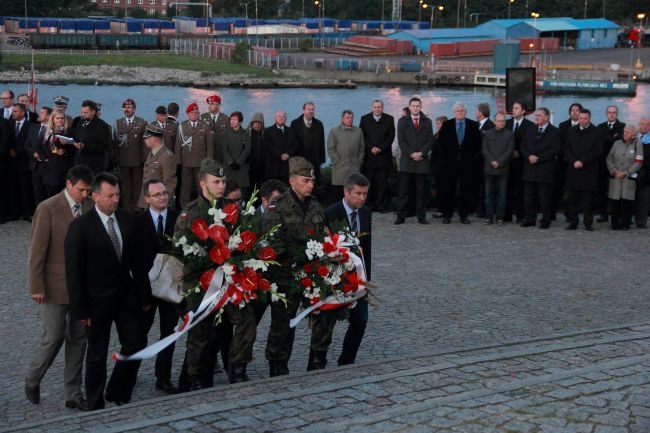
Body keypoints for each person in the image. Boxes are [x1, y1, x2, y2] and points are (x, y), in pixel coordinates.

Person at [65, 172, 148, 410]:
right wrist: (81, 309)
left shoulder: (127, 219)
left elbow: (137, 262)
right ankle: (95, 402)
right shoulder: (81, 227)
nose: (115, 200)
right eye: (110, 196)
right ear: (95, 196)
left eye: (118, 195)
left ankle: (117, 390)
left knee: (136, 342)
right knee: (97, 355)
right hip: (95, 303)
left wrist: (144, 294)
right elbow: (74, 272)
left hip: (126, 298)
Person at [174, 158, 256, 387]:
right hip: (200, 285)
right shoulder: (190, 214)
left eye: (223, 181)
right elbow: (180, 255)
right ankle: (194, 378)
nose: (221, 186)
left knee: (247, 319)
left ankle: (238, 368)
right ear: (203, 184)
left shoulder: (231, 211)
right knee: (200, 335)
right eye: (216, 181)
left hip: (228, 283)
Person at [25, 165, 94, 411]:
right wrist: (36, 286)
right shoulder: (47, 209)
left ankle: (73, 393)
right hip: (53, 287)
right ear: (68, 184)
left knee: (79, 339)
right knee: (53, 337)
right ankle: (32, 378)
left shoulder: (88, 206)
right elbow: (37, 251)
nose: (84, 195)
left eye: (88, 190)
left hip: (82, 289)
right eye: (80, 190)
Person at [263, 157, 327, 376]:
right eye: (306, 180)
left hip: (312, 274)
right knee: (283, 322)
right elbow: (272, 241)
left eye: (312, 180)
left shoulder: (316, 204)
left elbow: (321, 235)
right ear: (292, 181)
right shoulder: (277, 206)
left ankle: (317, 359)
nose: (310, 184)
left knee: (321, 314)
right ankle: (277, 362)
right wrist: (296, 257)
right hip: (286, 274)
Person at [135, 179, 180, 394]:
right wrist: (142, 294)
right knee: (137, 334)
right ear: (147, 199)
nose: (162, 197)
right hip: (146, 289)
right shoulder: (138, 223)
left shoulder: (177, 218)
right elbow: (134, 262)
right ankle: (129, 374)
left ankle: (163, 377)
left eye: (164, 193)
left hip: (170, 287)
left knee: (169, 333)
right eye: (157, 195)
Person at [324, 173, 372, 366]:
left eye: (365, 194)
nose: (361, 198)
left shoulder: (366, 212)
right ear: (346, 191)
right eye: (358, 193)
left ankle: (347, 360)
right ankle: (317, 361)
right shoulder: (330, 213)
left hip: (359, 279)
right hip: (336, 278)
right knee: (328, 323)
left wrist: (367, 278)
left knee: (360, 321)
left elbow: (366, 249)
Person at [437, 101, 482, 224]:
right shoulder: (447, 124)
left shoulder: (473, 125)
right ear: (454, 112)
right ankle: (447, 215)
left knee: (465, 190)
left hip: (467, 164)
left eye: (462, 110)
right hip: (450, 163)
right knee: (449, 189)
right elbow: (441, 143)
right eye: (457, 111)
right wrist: (447, 157)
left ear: (466, 112)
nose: (460, 112)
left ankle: (464, 216)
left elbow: (478, 144)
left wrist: (473, 158)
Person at [251, 179, 287, 323]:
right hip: (257, 283)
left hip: (281, 280)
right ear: (264, 200)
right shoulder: (250, 219)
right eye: (276, 201)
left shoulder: (286, 218)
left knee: (283, 328)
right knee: (250, 327)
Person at [394, 97, 433, 225]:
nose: (416, 108)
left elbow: (429, 141)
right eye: (413, 106)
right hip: (407, 161)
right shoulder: (402, 121)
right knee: (404, 191)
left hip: (422, 161)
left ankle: (421, 217)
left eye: (418, 106)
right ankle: (401, 217)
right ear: (409, 107)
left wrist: (421, 153)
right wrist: (412, 153)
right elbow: (401, 141)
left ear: (421, 107)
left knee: (421, 192)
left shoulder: (427, 121)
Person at [520, 108, 560, 229]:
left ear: (547, 117)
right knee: (528, 197)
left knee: (544, 198)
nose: (536, 117)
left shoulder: (555, 132)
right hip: (530, 168)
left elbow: (554, 150)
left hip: (544, 169)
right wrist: (529, 156)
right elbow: (523, 146)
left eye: (539, 115)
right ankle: (530, 218)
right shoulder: (530, 129)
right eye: (535, 115)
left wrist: (538, 158)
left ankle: (545, 220)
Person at [563, 109, 603, 231]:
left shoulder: (596, 131)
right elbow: (566, 148)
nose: (582, 121)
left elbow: (597, 150)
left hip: (588, 171)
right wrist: (574, 161)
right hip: (573, 169)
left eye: (585, 118)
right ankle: (573, 221)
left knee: (588, 200)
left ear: (589, 118)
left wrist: (583, 161)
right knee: (572, 199)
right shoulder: (571, 131)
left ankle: (588, 223)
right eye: (580, 118)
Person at [359, 100, 395, 213]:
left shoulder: (389, 119)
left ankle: (381, 205)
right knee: (368, 182)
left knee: (382, 183)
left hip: (383, 156)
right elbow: (362, 136)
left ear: (382, 108)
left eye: (379, 107)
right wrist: (371, 148)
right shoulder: (364, 119)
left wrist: (380, 148)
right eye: (375, 107)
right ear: (372, 107)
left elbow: (391, 136)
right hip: (369, 157)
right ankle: (368, 205)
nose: (377, 109)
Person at [175, 103, 214, 207]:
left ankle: (202, 206)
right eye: (192, 113)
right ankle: (185, 208)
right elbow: (178, 145)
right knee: (185, 187)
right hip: (186, 162)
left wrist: (209, 161)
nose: (195, 114)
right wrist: (178, 161)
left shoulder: (205, 126)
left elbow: (210, 146)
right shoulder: (182, 127)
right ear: (188, 114)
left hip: (200, 162)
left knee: (200, 186)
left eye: (196, 112)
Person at [112, 99, 147, 211]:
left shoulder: (141, 122)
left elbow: (144, 144)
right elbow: (116, 143)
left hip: (137, 159)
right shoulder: (118, 123)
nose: (127, 109)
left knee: (137, 183)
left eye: (129, 107)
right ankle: (127, 205)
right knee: (125, 183)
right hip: (123, 159)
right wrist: (116, 159)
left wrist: (144, 159)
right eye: (125, 107)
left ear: (134, 109)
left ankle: (137, 205)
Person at [607, 124, 644, 230]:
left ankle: (625, 224)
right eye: (624, 131)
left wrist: (627, 172)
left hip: (628, 177)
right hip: (616, 176)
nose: (625, 134)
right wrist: (614, 171)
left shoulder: (638, 144)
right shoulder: (616, 143)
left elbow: (639, 162)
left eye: (628, 132)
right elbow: (609, 159)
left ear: (633, 135)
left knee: (627, 201)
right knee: (614, 201)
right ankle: (614, 224)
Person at [34, 108, 76, 200]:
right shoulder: (46, 131)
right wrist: (44, 159)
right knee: (50, 196)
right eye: (57, 118)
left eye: (62, 118)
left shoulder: (69, 131)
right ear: (53, 119)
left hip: (62, 167)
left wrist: (66, 149)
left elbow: (74, 149)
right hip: (49, 167)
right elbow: (38, 146)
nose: (60, 120)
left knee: (63, 195)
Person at [482, 113, 514, 225]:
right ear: (494, 121)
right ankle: (489, 217)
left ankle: (500, 218)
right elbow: (484, 149)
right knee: (488, 195)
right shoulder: (487, 133)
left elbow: (510, 150)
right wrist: (492, 161)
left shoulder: (510, 134)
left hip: (503, 169)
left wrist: (499, 162)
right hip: (489, 169)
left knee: (502, 196)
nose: (501, 123)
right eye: (499, 121)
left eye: (503, 121)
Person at [505, 101, 534, 223]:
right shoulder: (507, 123)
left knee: (521, 190)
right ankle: (506, 215)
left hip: (522, 163)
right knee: (507, 189)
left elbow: (530, 144)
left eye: (516, 108)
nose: (514, 110)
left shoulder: (530, 125)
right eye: (513, 108)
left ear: (523, 111)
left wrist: (520, 153)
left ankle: (520, 215)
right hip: (506, 162)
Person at [327, 109, 365, 203]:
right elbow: (330, 148)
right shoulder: (334, 131)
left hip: (354, 167)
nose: (350, 120)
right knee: (339, 192)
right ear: (342, 118)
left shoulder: (358, 131)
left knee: (353, 190)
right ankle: (338, 214)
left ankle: (353, 209)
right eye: (347, 118)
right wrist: (336, 161)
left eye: (351, 118)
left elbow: (362, 148)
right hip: (339, 167)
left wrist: (359, 161)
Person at [596, 105, 625, 222]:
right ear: (606, 114)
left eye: (614, 112)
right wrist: (612, 139)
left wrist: (606, 140)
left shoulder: (623, 127)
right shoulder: (600, 127)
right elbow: (599, 144)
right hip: (602, 163)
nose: (611, 114)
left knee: (618, 189)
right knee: (602, 190)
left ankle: (618, 214)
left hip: (618, 163)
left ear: (617, 114)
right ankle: (603, 214)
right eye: (609, 112)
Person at [555, 102, 583, 220]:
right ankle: (566, 212)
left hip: (579, 163)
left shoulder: (586, 126)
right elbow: (559, 144)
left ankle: (575, 212)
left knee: (576, 189)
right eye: (572, 110)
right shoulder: (562, 126)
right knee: (563, 188)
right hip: (564, 163)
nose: (575, 112)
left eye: (577, 110)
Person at [137, 125, 177, 209]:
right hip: (150, 201)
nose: (145, 141)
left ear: (154, 139)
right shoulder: (152, 153)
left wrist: (165, 202)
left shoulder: (167, 156)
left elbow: (169, 183)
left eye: (147, 138)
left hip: (159, 203)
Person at [9, 102, 35, 222]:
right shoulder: (9, 123)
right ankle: (14, 212)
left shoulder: (30, 126)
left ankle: (26, 212)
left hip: (24, 162)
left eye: (15, 111)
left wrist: (17, 152)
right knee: (13, 188)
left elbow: (29, 143)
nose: (12, 113)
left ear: (22, 113)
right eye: (12, 111)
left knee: (25, 188)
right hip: (10, 162)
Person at [289, 102, 325, 185]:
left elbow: (321, 142)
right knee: (300, 183)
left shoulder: (319, 124)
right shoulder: (295, 123)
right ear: (303, 110)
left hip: (314, 160)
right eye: (308, 109)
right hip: (300, 160)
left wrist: (322, 159)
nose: (311, 111)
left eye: (312, 109)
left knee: (313, 183)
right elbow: (292, 142)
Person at [71, 100, 110, 175]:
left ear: (93, 112)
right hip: (79, 162)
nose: (83, 114)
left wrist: (85, 146)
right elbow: (75, 137)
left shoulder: (101, 125)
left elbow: (103, 146)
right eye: (82, 112)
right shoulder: (79, 123)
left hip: (93, 165)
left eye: (86, 112)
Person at [218, 111, 251, 197]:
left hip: (241, 167)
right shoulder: (226, 134)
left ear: (240, 122)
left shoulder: (245, 133)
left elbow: (247, 149)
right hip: (229, 167)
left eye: (235, 120)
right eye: (231, 119)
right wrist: (230, 162)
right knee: (228, 188)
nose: (232, 121)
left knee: (241, 189)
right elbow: (224, 149)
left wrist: (239, 162)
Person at [26, 106, 53, 204]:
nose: (38, 114)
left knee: (49, 192)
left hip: (48, 166)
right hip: (35, 166)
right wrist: (33, 153)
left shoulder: (53, 129)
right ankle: (39, 216)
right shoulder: (34, 127)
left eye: (42, 112)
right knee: (37, 192)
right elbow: (27, 144)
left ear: (49, 116)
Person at [264, 110, 295, 185]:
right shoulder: (268, 131)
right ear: (275, 118)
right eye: (279, 116)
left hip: (287, 167)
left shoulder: (291, 131)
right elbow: (268, 146)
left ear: (286, 119)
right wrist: (280, 155)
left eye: (283, 117)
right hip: (273, 167)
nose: (281, 118)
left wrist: (288, 154)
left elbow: (295, 145)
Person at [636, 118, 650, 228]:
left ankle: (641, 221)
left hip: (646, 174)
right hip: (632, 172)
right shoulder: (633, 138)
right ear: (639, 125)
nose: (644, 126)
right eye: (642, 124)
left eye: (647, 125)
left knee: (644, 199)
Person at [247, 112, 266, 189]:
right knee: (250, 186)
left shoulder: (265, 133)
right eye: (255, 123)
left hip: (263, 165)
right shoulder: (247, 133)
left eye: (259, 123)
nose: (257, 125)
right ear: (252, 123)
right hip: (250, 164)